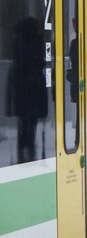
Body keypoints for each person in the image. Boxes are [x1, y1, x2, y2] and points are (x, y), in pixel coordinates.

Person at [5, 18, 47, 163]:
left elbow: (17, 66)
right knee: (32, 124)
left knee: (23, 123)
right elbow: (42, 63)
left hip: (21, 93)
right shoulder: (38, 43)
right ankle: (30, 152)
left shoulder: (17, 44)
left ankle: (22, 152)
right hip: (35, 92)